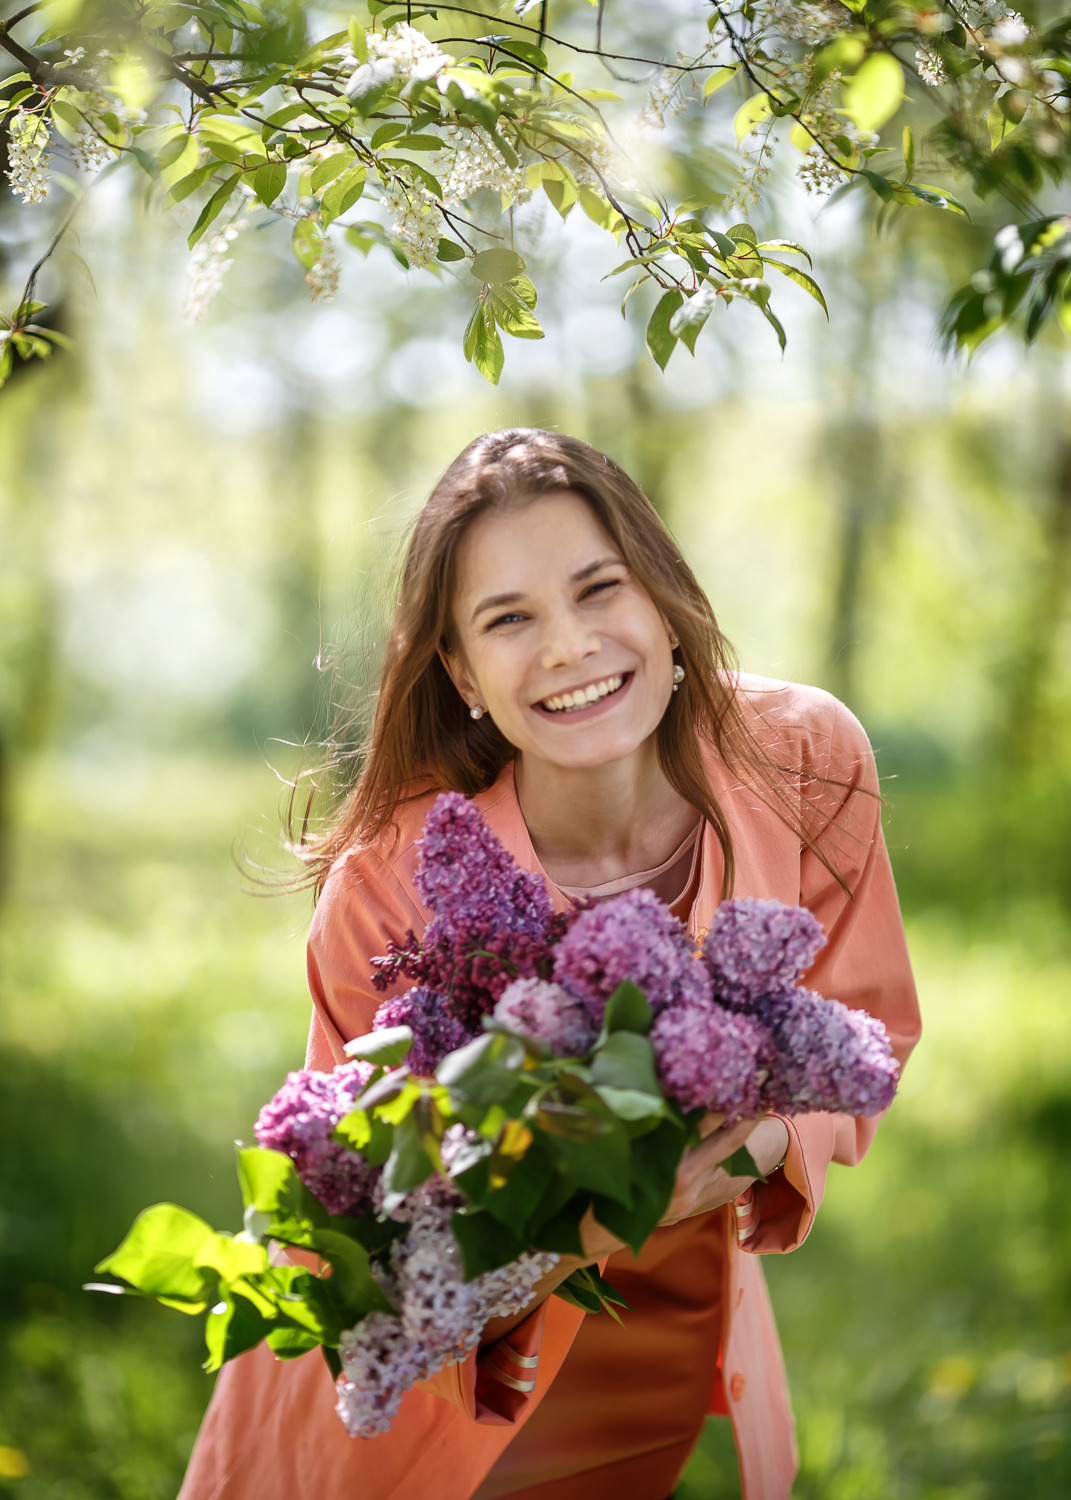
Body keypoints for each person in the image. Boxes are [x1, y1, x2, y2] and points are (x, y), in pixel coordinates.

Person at [179, 429, 920, 1500]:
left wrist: (744, 1152)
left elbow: (865, 1024)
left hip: (682, 1360)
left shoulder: (802, 755)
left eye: (598, 590)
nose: (568, 647)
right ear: (462, 673)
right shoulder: (397, 880)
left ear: (665, 603)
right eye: (509, 619)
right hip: (415, 1431)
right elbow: (353, 1213)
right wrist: (564, 1217)